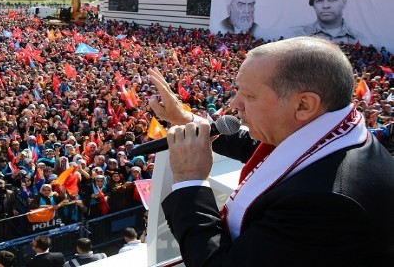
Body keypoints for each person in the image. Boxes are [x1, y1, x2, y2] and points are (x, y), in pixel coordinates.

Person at [147, 37, 394, 266]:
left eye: (249, 95)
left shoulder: (326, 205)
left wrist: (190, 180)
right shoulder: (338, 134)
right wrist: (185, 118)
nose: (234, 104)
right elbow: (261, 147)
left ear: (303, 104)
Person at [291, 0, 361, 44]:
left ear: (344, 3)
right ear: (314, 5)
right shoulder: (296, 36)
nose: (325, 6)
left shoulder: (360, 39)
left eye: (332, 0)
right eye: (319, 0)